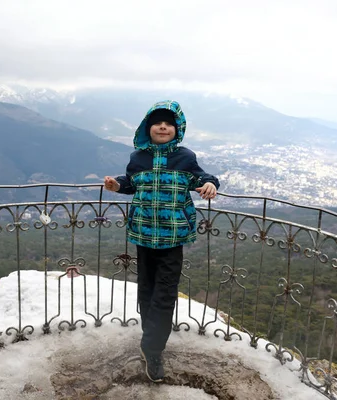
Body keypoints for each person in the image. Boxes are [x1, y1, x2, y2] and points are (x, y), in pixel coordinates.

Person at [104, 100, 220, 383]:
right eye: (157, 123)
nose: (163, 127)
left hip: (173, 237)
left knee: (165, 292)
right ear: (148, 128)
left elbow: (202, 177)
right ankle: (150, 336)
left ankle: (153, 349)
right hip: (144, 234)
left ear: (177, 129)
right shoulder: (138, 157)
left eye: (169, 123)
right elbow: (132, 183)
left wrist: (211, 184)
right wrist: (116, 185)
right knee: (147, 289)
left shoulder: (185, 157)